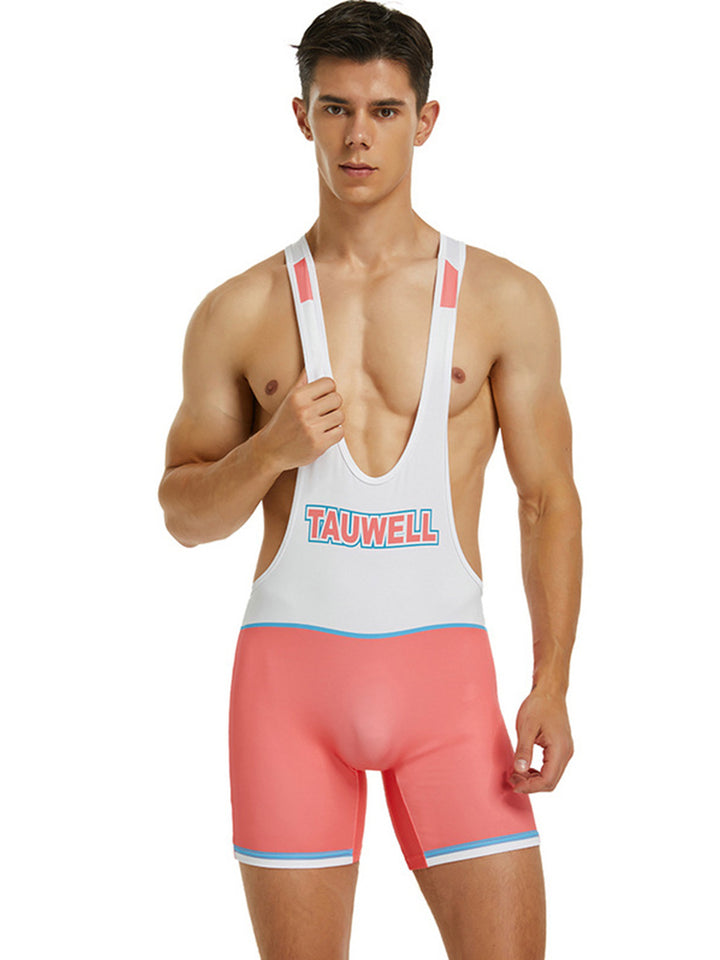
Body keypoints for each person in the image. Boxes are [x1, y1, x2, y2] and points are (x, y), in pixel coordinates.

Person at [158, 1, 582, 957]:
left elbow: (548, 501)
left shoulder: (505, 300)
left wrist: (552, 681)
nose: (358, 136)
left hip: (449, 691)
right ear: (301, 116)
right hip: (287, 695)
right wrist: (269, 452)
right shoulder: (238, 310)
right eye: (336, 108)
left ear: (424, 121)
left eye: (384, 111)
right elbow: (183, 516)